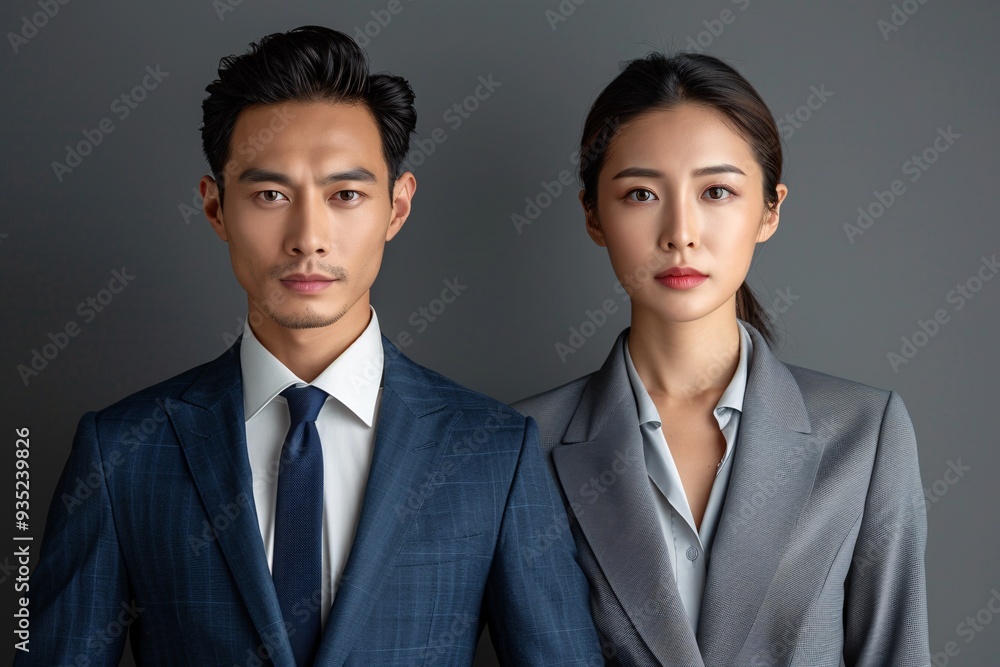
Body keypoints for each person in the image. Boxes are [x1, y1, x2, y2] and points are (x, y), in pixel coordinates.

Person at [18, 26, 601, 666]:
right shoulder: (121, 451)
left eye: (345, 194)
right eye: (270, 194)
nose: (308, 237)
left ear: (396, 208)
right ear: (215, 208)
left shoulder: (495, 450)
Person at [513, 51, 930, 666]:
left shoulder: (866, 433)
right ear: (593, 216)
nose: (680, 231)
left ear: (770, 210)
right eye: (640, 193)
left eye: (716, 191)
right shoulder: (523, 442)